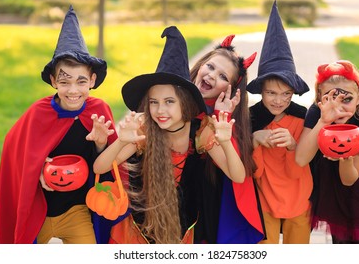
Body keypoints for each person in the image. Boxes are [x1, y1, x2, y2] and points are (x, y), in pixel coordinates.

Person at [93, 26, 246, 244]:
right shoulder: (144, 131)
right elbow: (100, 168)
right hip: (137, 232)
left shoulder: (202, 131)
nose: (160, 110)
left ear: (186, 103)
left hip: (183, 232)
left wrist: (225, 142)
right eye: (153, 103)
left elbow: (238, 176)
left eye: (169, 102)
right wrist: (121, 141)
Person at [0, 6, 121, 244]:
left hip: (77, 210)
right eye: (64, 81)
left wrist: (101, 144)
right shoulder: (38, 114)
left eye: (81, 81)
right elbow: (16, 152)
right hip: (40, 210)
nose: (73, 90)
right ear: (53, 80)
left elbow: (106, 168)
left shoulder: (99, 111)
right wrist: (37, 166)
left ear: (92, 81)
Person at [295, 59, 359, 244]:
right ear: (320, 97)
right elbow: (301, 159)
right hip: (331, 174)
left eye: (347, 99)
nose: (338, 107)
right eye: (330, 98)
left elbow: (349, 179)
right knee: (340, 235)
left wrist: (346, 159)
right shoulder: (317, 112)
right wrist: (323, 121)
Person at [246, 1, 313, 244]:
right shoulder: (251, 119)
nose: (279, 100)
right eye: (272, 93)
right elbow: (252, 172)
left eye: (286, 94)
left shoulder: (302, 118)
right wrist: (254, 140)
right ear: (261, 90)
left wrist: (295, 145)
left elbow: (301, 166)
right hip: (264, 199)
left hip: (298, 197)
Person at [190, 34, 265, 243]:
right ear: (200, 65)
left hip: (205, 201)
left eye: (223, 77)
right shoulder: (170, 98)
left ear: (230, 89)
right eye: (211, 67)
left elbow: (237, 174)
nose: (212, 76)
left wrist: (221, 119)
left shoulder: (221, 121)